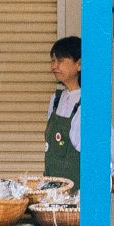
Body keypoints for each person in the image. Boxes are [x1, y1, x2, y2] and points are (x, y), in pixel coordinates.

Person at [43, 35, 82, 186]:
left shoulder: (88, 103)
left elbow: (106, 147)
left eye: (60, 60)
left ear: (79, 64)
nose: (54, 66)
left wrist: (107, 176)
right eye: (52, 61)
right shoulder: (56, 99)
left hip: (76, 190)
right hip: (52, 188)